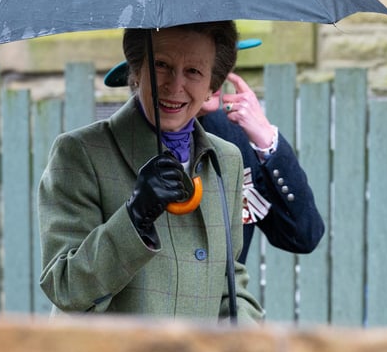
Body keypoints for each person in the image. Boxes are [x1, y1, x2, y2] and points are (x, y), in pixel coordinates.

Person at [38, 21, 264, 325]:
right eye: (161, 64)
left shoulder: (226, 159)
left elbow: (230, 279)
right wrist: (134, 218)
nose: (174, 85)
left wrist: (248, 344)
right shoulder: (79, 153)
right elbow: (65, 288)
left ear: (213, 84)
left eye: (194, 71)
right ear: (136, 70)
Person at [105, 44, 324, 264]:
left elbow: (302, 236)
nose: (214, 77)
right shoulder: (111, 148)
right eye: (193, 68)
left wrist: (266, 140)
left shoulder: (233, 136)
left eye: (216, 65)